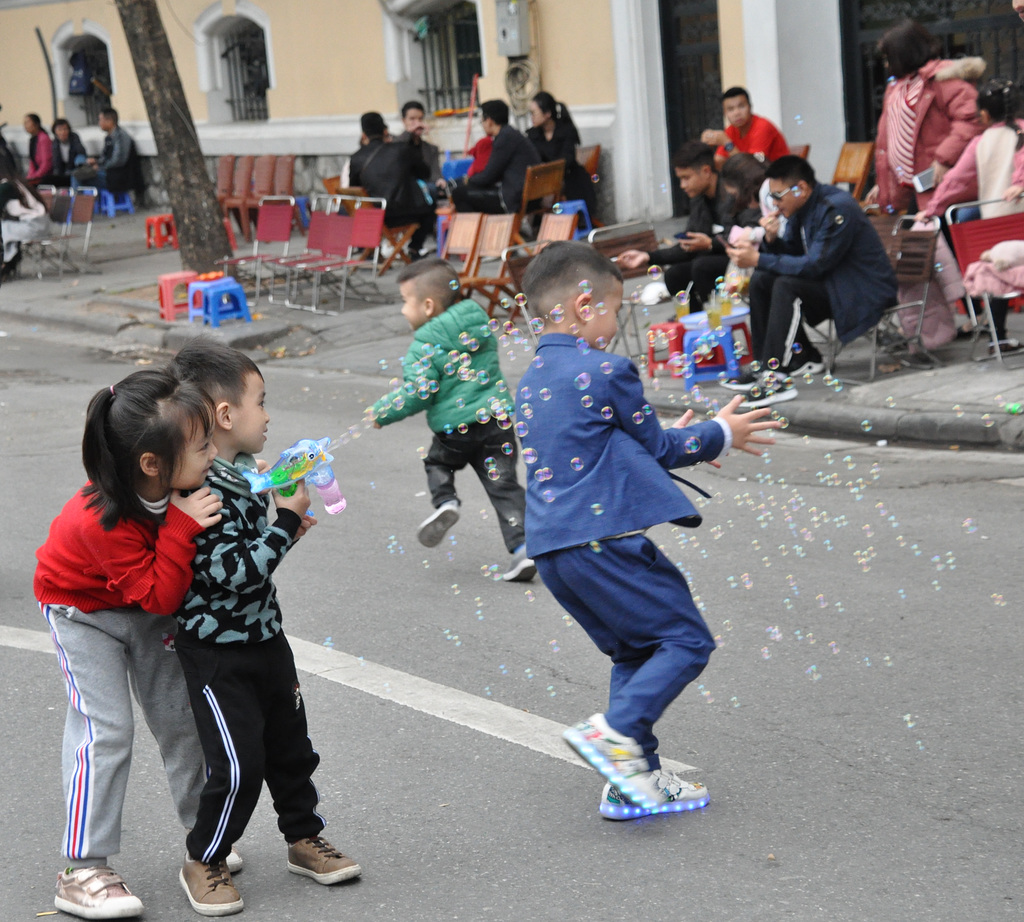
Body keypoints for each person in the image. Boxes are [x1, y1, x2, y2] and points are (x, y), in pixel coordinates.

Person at [514, 240, 779, 819]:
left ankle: (635, 782)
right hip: (603, 542)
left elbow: (602, 449)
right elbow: (660, 446)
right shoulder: (606, 368)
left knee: (636, 650)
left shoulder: (532, 380)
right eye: (613, 309)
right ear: (584, 306)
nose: (614, 324)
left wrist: (670, 440)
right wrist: (721, 431)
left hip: (555, 549)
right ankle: (614, 733)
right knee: (687, 641)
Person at [169, 337, 360, 917]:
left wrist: (284, 512)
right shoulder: (197, 488)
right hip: (216, 651)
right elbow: (233, 571)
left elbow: (258, 559)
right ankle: (205, 857)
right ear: (225, 415)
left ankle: (304, 838)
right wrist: (285, 521)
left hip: (264, 636)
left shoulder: (244, 472)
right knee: (238, 762)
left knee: (291, 746)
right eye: (261, 400)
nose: (269, 414)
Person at [34, 368, 225, 920]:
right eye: (203, 444)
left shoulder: (180, 482)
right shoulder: (99, 519)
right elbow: (161, 597)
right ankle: (82, 869)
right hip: (83, 614)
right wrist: (182, 530)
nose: (214, 453)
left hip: (140, 604)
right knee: (106, 728)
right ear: (151, 464)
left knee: (180, 718)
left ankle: (204, 839)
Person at [369, 258, 535, 581]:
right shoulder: (479, 323)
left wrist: (382, 412)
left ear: (428, 306)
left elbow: (418, 392)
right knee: (504, 486)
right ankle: (523, 549)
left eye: (405, 302)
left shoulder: (423, 344)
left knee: (437, 463)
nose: (403, 311)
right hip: (496, 420)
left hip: (454, 429)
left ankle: (446, 501)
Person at [723, 155, 898, 407]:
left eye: (777, 196)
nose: (773, 204)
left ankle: (776, 377)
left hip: (860, 292)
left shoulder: (835, 208)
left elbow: (815, 264)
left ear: (801, 188)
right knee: (763, 279)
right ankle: (764, 367)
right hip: (834, 286)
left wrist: (758, 258)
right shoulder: (799, 209)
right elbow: (793, 255)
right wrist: (771, 241)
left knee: (785, 284)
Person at [917, 76, 1024, 355]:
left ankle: (998, 338)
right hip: (1020, 221)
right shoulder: (1022, 133)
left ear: (985, 115)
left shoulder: (980, 142)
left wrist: (931, 209)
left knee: (998, 274)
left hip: (993, 227)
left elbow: (954, 180)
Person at [865, 20, 984, 215]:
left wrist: (944, 159)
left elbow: (971, 119)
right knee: (919, 240)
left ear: (904, 53)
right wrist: (884, 184)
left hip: (943, 181)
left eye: (889, 57)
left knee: (931, 240)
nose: (886, 64)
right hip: (916, 185)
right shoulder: (897, 86)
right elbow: (891, 137)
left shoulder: (943, 78)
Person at [615, 141, 737, 310]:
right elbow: (686, 247)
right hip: (711, 262)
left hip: (739, 260)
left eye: (686, 178)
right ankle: (694, 324)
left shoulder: (731, 194)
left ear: (706, 171)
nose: (682, 186)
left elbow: (740, 238)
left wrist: (710, 243)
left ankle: (716, 318)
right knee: (674, 274)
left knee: (702, 266)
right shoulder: (699, 200)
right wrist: (648, 257)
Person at [349, 111, 435, 259]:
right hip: (405, 213)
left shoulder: (356, 158)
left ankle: (369, 252)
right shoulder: (402, 149)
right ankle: (414, 248)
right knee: (430, 203)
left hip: (374, 217)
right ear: (385, 131)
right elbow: (424, 173)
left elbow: (354, 188)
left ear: (364, 135)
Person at [450, 99, 541, 215]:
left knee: (459, 193)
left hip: (516, 200)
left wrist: (467, 180)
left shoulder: (504, 139)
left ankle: (478, 232)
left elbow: (488, 176)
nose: (482, 124)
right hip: (531, 196)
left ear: (489, 121)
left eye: (482, 120)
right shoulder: (511, 134)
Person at [526, 91, 596, 219]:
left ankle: (574, 218)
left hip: (569, 176)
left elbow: (568, 159)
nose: (531, 117)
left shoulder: (566, 130)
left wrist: (551, 169)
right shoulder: (533, 134)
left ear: (547, 114)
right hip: (546, 179)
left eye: (534, 113)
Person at [700, 87, 790, 169]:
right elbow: (719, 164)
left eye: (741, 106)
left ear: (750, 107)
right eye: (731, 109)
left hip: (780, 178)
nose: (737, 113)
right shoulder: (730, 130)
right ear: (725, 113)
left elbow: (751, 168)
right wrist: (707, 148)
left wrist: (727, 144)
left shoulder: (762, 127)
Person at [72, 107, 144, 196]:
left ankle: (78, 205)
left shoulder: (121, 137)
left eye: (100, 120)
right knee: (78, 170)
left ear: (109, 121)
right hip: (109, 173)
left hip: (118, 177)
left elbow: (118, 161)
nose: (99, 123)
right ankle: (84, 203)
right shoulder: (109, 137)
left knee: (77, 177)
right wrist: (96, 162)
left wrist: (100, 167)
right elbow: (105, 157)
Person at [1, 159, 49, 281]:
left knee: (3, 229)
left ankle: (6, 264)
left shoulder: (6, 186)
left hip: (32, 227)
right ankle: (9, 263)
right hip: (40, 225)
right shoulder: (16, 182)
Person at [396, 100, 446, 191]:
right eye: (412, 119)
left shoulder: (431, 149)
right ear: (404, 121)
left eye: (420, 119)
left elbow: (435, 172)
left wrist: (439, 180)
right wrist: (409, 132)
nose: (418, 123)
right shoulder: (395, 144)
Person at [51, 117, 88, 187]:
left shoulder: (74, 138)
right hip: (62, 170)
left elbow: (81, 153)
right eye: (59, 130)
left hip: (75, 167)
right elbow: (56, 162)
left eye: (65, 129)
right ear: (55, 131)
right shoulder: (55, 143)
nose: (63, 132)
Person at [23, 112, 53, 185]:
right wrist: (30, 176)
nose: (25, 126)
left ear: (36, 124)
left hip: (46, 175)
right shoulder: (32, 140)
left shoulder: (44, 139)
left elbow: (46, 163)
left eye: (27, 122)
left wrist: (35, 177)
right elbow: (32, 162)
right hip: (37, 175)